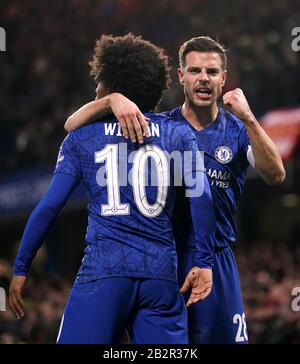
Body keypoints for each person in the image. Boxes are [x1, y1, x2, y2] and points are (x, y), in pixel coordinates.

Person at [64, 36, 286, 344]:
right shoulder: (162, 127)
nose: (203, 79)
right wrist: (110, 100)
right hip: (168, 260)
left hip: (215, 260)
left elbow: (275, 174)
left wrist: (248, 118)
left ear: (223, 77)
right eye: (195, 71)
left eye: (211, 71)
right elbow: (73, 126)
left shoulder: (236, 130)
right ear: (181, 76)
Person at [9, 33, 215, 344]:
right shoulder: (180, 134)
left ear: (112, 85)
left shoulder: (82, 138)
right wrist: (204, 262)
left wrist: (22, 265)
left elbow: (50, 205)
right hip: (161, 278)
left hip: (103, 272)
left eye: (100, 83)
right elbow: (202, 198)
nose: (95, 90)